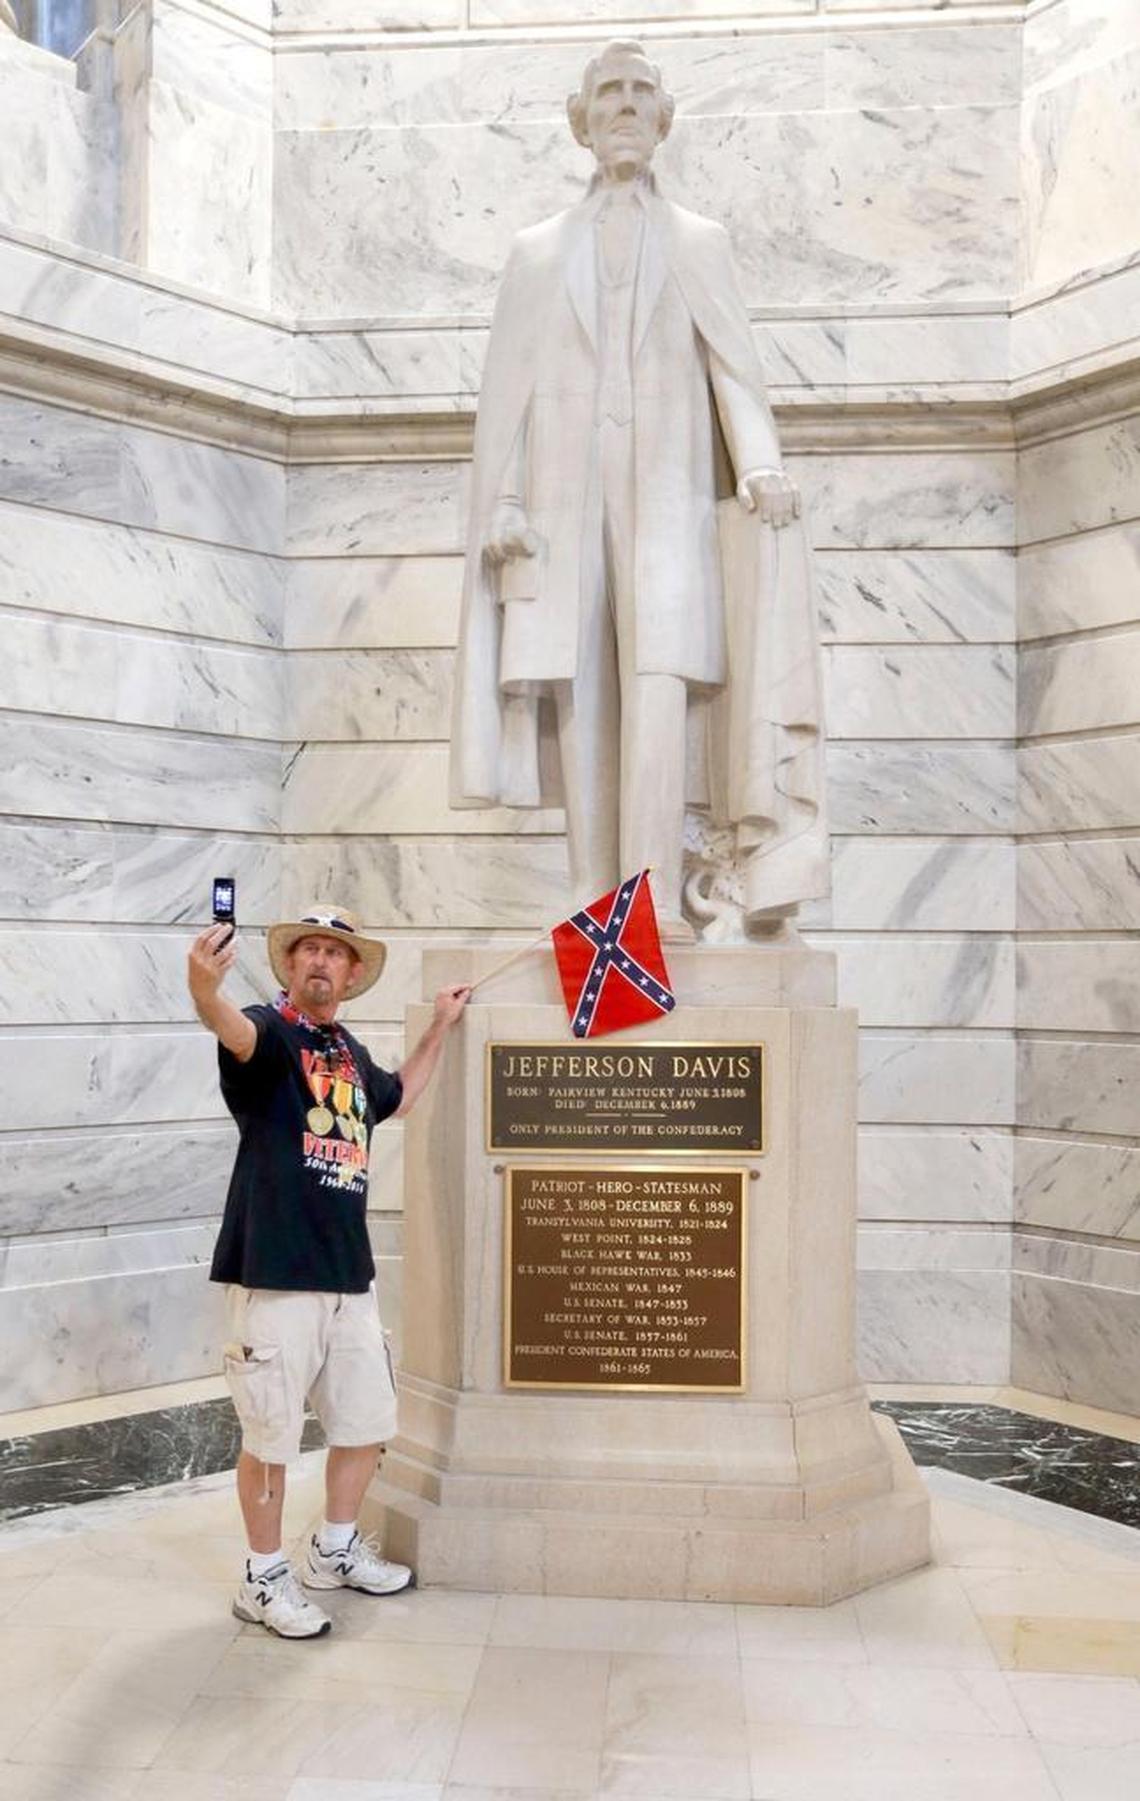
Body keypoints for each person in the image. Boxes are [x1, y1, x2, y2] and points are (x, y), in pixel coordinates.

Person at [450, 38, 826, 932]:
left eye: (640, 92)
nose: (624, 105)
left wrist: (762, 460)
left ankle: (648, 902)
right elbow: (510, 394)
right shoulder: (536, 252)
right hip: (559, 510)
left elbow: (734, 365)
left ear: (664, 119)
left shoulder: (702, 242)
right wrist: (502, 502)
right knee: (579, 690)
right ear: (581, 123)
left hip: (670, 509)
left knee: (658, 686)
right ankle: (594, 900)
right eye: (607, 93)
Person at [187, 905, 470, 1639]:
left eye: (334, 952)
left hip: (349, 1276)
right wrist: (203, 990)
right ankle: (261, 1575)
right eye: (308, 948)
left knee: (364, 1425)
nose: (320, 960)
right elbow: (232, 1029)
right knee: (272, 1437)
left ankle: (334, 1549)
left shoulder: (345, 1050)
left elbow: (398, 1096)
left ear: (351, 973)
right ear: (289, 966)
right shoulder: (270, 1032)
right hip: (276, 1272)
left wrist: (441, 1025)